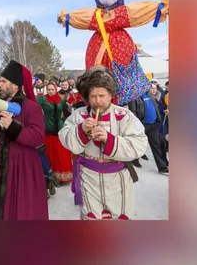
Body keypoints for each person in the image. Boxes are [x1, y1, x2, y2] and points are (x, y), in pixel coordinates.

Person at [58, 66, 148, 220]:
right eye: (93, 96)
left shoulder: (124, 115)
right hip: (88, 178)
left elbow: (139, 144)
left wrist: (110, 139)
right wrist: (81, 130)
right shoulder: (79, 115)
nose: (98, 101)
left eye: (102, 95)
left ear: (111, 95)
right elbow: (65, 137)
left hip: (118, 180)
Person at [0, 60, 48, 220]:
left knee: (20, 211)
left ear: (15, 86)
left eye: (3, 81)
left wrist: (13, 127)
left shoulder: (31, 107)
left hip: (22, 168)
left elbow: (37, 137)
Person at [128, 86, 169, 174]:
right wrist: (137, 125)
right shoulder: (134, 97)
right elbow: (133, 112)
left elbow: (155, 107)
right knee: (138, 144)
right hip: (143, 125)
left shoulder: (149, 95)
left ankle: (162, 167)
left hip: (154, 125)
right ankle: (135, 159)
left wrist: (158, 119)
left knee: (156, 146)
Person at [36, 82, 72, 183]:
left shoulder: (62, 99)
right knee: (49, 152)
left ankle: (62, 175)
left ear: (56, 89)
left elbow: (66, 112)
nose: (50, 92)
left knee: (61, 152)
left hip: (59, 128)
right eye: (49, 90)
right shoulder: (42, 99)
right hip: (47, 127)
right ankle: (50, 175)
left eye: (52, 89)